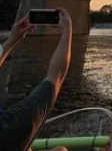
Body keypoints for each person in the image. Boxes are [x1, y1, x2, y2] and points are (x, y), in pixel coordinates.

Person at [0, 8, 72, 151]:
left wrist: (13, 39)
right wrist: (67, 30)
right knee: (61, 150)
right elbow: (56, 76)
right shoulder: (13, 126)